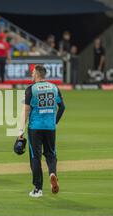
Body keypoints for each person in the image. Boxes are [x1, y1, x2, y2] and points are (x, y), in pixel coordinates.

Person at [19, 65, 65, 198]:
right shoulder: (54, 87)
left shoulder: (31, 89)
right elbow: (62, 107)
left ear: (38, 74)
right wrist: (54, 121)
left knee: (35, 157)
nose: (32, 74)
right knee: (51, 154)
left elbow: (26, 111)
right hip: (50, 128)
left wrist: (20, 131)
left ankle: (38, 189)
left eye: (33, 72)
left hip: (35, 128)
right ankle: (52, 173)